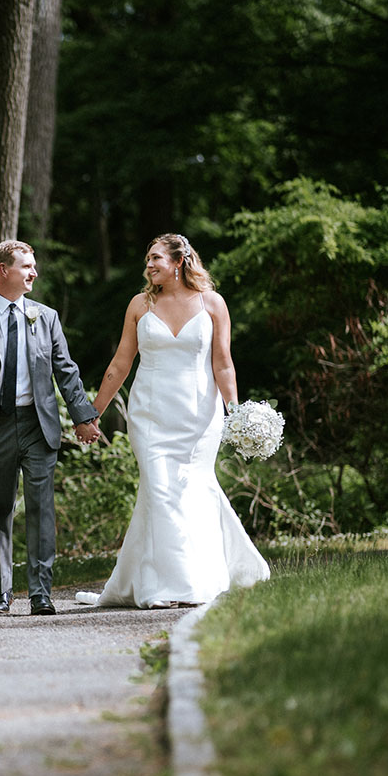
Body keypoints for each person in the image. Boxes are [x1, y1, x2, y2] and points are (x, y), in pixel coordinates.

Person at [76, 233, 270, 609]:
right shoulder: (139, 305)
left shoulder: (212, 303)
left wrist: (236, 413)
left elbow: (223, 362)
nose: (148, 266)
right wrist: (91, 413)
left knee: (193, 489)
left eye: (155, 259)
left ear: (179, 262)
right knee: (160, 489)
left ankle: (196, 575)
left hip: (200, 416)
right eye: (148, 260)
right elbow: (120, 364)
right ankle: (170, 585)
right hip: (150, 415)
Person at [0, 240, 100, 615]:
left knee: (40, 509)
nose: (34, 272)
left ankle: (40, 593)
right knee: (0, 510)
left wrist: (83, 416)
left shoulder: (45, 317)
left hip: (38, 426)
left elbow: (66, 371)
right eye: (26, 266)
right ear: (4, 270)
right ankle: (1, 591)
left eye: (33, 266)